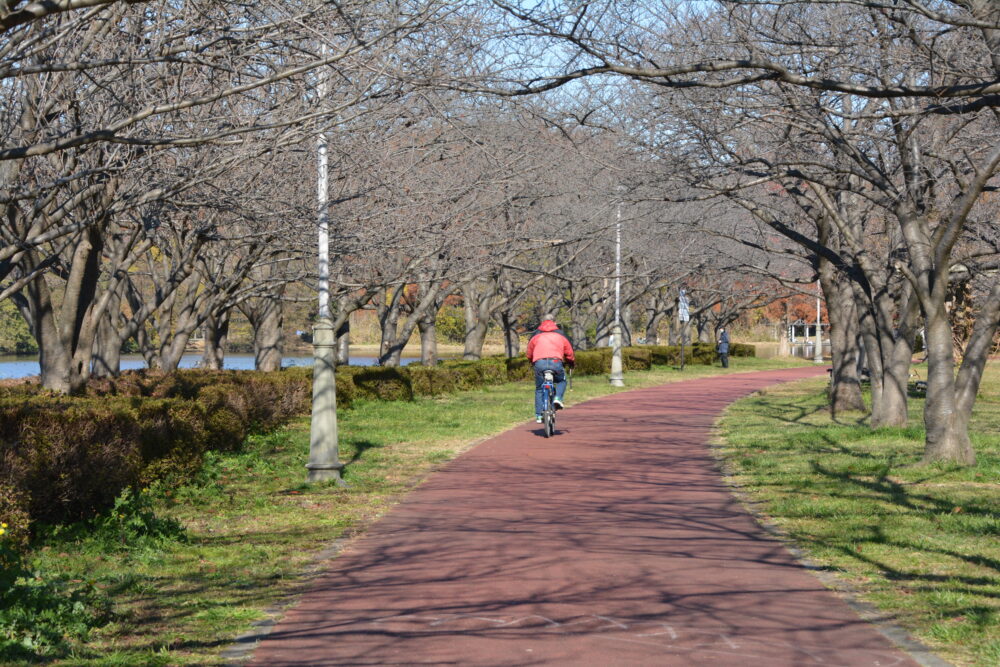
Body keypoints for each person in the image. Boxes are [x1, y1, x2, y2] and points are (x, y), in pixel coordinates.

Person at [526, 315, 575, 423]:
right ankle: (557, 398)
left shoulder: (536, 336)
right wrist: (571, 362)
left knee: (539, 388)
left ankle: (539, 415)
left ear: (542, 322)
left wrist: (531, 361)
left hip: (539, 363)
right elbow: (569, 353)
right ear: (555, 322)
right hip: (556, 362)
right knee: (562, 381)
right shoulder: (560, 336)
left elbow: (529, 353)